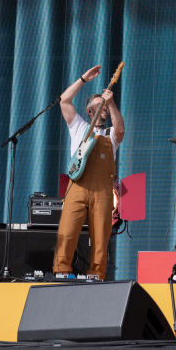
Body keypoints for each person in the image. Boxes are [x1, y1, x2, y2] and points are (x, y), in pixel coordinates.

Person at [53, 65, 124, 279]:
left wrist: (110, 102)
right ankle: (61, 272)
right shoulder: (79, 127)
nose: (103, 108)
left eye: (105, 106)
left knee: (101, 238)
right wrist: (83, 79)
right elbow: (64, 100)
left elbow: (120, 129)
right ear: (90, 111)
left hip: (102, 190)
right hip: (78, 186)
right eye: (99, 105)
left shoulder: (110, 134)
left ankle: (97, 275)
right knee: (67, 232)